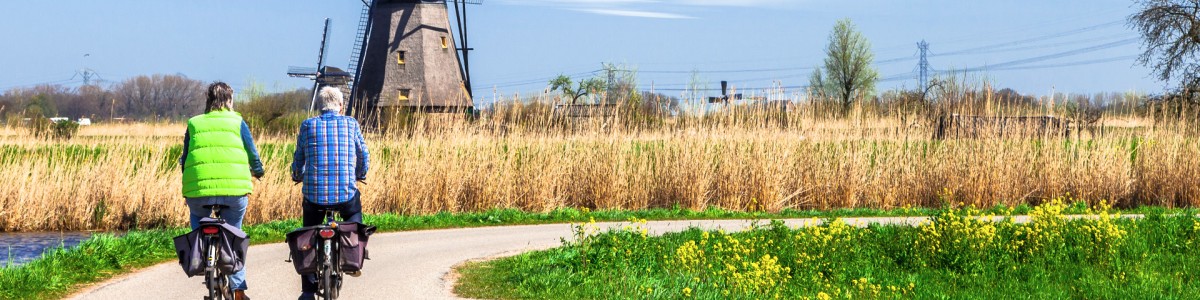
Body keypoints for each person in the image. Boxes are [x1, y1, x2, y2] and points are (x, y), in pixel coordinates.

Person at [180, 82, 264, 300]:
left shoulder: (194, 123)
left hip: (198, 191)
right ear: (230, 100)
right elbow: (252, 153)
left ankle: (199, 257)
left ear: (208, 100)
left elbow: (185, 158)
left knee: (198, 219)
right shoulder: (238, 121)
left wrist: (190, 181)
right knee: (234, 232)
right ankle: (238, 290)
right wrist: (258, 171)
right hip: (234, 192)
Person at [291, 86, 369, 300]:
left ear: (319, 106)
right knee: (353, 218)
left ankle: (308, 291)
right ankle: (353, 256)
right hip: (345, 193)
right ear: (341, 106)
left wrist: (296, 174)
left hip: (314, 195)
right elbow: (363, 153)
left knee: (309, 231)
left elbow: (299, 157)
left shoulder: (307, 125)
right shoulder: (351, 123)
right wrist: (360, 173)